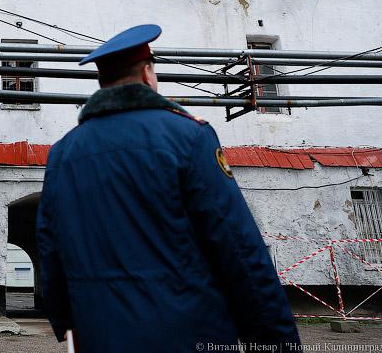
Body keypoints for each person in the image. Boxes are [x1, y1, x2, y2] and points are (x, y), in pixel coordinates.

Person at [36, 24, 301, 352]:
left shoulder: (62, 154)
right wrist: (275, 340)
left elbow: (50, 250)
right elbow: (237, 247)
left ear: (102, 84)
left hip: (100, 338)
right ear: (148, 74)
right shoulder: (188, 137)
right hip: (190, 336)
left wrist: (64, 322)